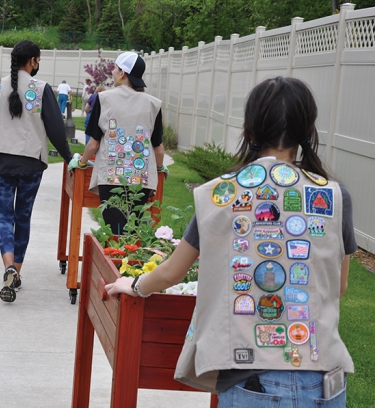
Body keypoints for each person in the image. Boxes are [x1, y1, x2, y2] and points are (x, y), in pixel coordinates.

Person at [105, 76, 356, 406]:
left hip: (250, 381)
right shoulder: (335, 196)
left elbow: (172, 272)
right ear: (307, 133)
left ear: (249, 130)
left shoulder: (219, 195)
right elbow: (339, 286)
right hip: (324, 380)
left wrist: (135, 284)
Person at [0, 40, 73, 303]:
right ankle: (16, 273)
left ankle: (8, 267)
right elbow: (56, 128)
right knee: (23, 217)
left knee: (4, 219)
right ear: (32, 61)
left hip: (0, 163)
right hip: (31, 163)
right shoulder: (41, 89)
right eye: (38, 60)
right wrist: (69, 157)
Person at [68, 51, 167, 235]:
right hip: (141, 180)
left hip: (111, 176)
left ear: (123, 73)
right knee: (132, 231)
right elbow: (158, 149)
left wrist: (81, 163)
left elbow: (93, 144)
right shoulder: (153, 104)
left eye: (115, 68)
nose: (112, 71)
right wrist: (159, 169)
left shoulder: (104, 99)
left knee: (116, 232)